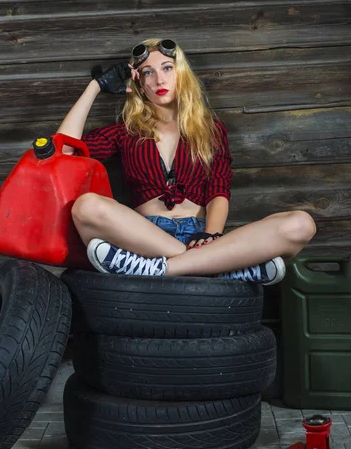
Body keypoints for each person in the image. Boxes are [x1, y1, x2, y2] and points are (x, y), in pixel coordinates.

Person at [58, 38, 316, 283]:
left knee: (300, 224)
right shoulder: (126, 131)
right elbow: (64, 152)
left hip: (200, 236)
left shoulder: (210, 129)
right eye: (148, 72)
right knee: (86, 207)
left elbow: (218, 189)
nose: (159, 79)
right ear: (139, 82)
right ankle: (216, 268)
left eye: (167, 68)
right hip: (142, 236)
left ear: (181, 72)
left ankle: (160, 269)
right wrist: (96, 87)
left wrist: (211, 235)